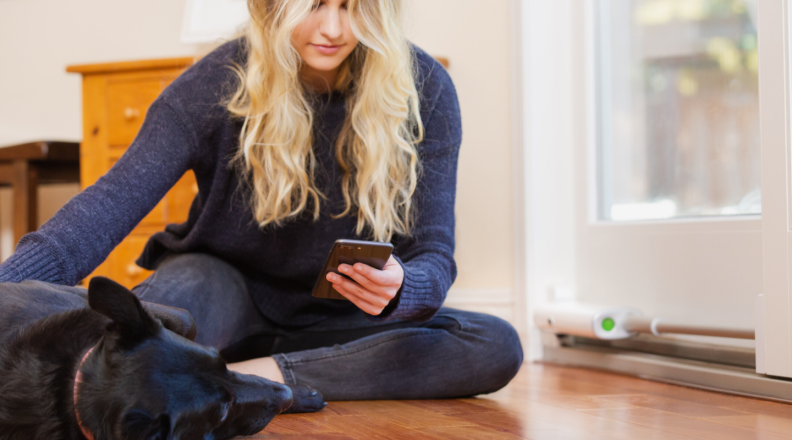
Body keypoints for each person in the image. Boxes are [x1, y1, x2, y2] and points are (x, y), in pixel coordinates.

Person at [0, 0, 523, 401]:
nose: (334, 29)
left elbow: (435, 253)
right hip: (224, 289)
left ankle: (245, 376)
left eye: (353, 5)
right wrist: (7, 292)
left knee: (494, 344)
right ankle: (209, 365)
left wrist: (405, 287)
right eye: (313, 4)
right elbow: (106, 205)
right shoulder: (214, 82)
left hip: (344, 318)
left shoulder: (426, 88)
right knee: (140, 330)